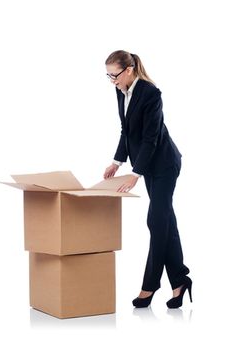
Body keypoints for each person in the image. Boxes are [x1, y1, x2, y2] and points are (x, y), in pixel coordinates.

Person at [102, 50, 192, 309]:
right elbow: (126, 131)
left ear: (128, 70)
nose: (112, 81)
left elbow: (152, 137)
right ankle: (180, 281)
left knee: (155, 222)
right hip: (148, 165)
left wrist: (135, 173)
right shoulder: (121, 91)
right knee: (166, 223)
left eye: (114, 75)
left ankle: (149, 286)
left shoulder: (151, 93)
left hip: (164, 164)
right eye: (108, 76)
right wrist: (117, 162)